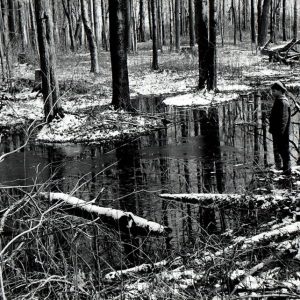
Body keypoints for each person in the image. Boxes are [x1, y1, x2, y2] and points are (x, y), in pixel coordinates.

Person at [269, 81, 291, 175]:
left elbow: (283, 120)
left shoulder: (283, 102)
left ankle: (287, 170)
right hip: (278, 132)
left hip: (282, 133)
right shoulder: (279, 100)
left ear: (279, 90)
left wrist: (280, 134)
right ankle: (286, 168)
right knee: (281, 150)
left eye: (274, 91)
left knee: (284, 151)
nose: (272, 93)